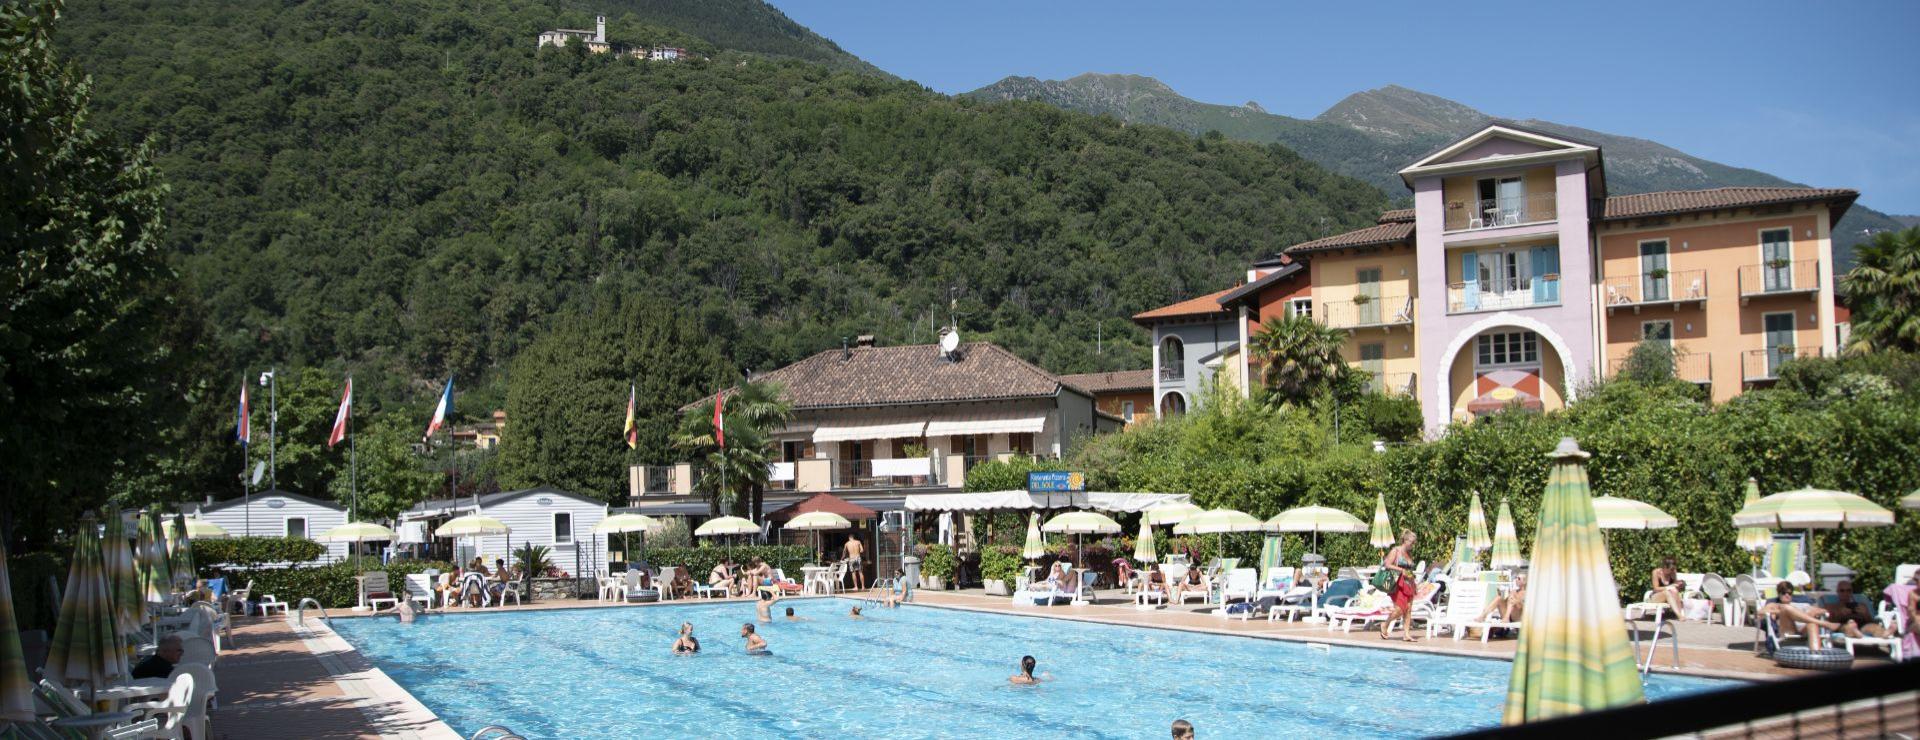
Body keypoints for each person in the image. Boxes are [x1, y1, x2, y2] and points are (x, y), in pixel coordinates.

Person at [1761, 581, 1842, 650]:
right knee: (1786, 608)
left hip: (1803, 630)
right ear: (1778, 594)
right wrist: (1779, 611)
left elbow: (1822, 610)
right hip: (1788, 630)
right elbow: (1760, 613)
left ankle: (1816, 655)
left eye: (1789, 593)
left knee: (1812, 624)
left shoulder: (1801, 604)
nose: (1787, 595)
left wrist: (1809, 614)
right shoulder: (1774, 604)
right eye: (1783, 593)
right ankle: (1825, 624)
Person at [1379, 528, 1419, 642]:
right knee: (1400, 608)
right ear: (1405, 541)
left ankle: (1406, 634)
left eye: (1414, 543)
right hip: (1398, 582)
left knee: (1409, 609)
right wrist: (1401, 570)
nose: (1413, 545)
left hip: (1409, 583)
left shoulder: (1409, 553)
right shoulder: (1395, 551)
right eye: (1412, 543)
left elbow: (1409, 568)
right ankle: (1385, 624)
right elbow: (1387, 564)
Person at [1821, 580, 1889, 639]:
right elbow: (1829, 624)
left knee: (1874, 627)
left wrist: (1865, 614)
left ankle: (1885, 634)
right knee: (1850, 627)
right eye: (1842, 591)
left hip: (1863, 626)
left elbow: (1871, 621)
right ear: (1837, 592)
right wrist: (1839, 614)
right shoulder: (1831, 607)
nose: (1845, 593)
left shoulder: (1861, 605)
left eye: (1848, 590)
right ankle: (1854, 631)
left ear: (1851, 592)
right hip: (1843, 625)